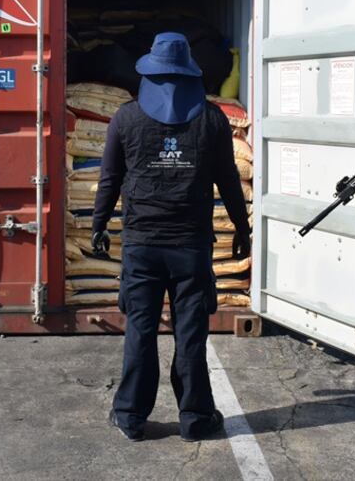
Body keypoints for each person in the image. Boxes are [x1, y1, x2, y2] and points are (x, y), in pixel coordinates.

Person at [92, 32, 252, 442]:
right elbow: (229, 181)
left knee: (140, 332)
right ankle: (195, 418)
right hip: (190, 248)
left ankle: (129, 415)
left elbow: (109, 179)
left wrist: (98, 225)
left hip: (142, 247)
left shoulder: (126, 118)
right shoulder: (212, 120)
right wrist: (241, 227)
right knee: (191, 334)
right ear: (190, 76)